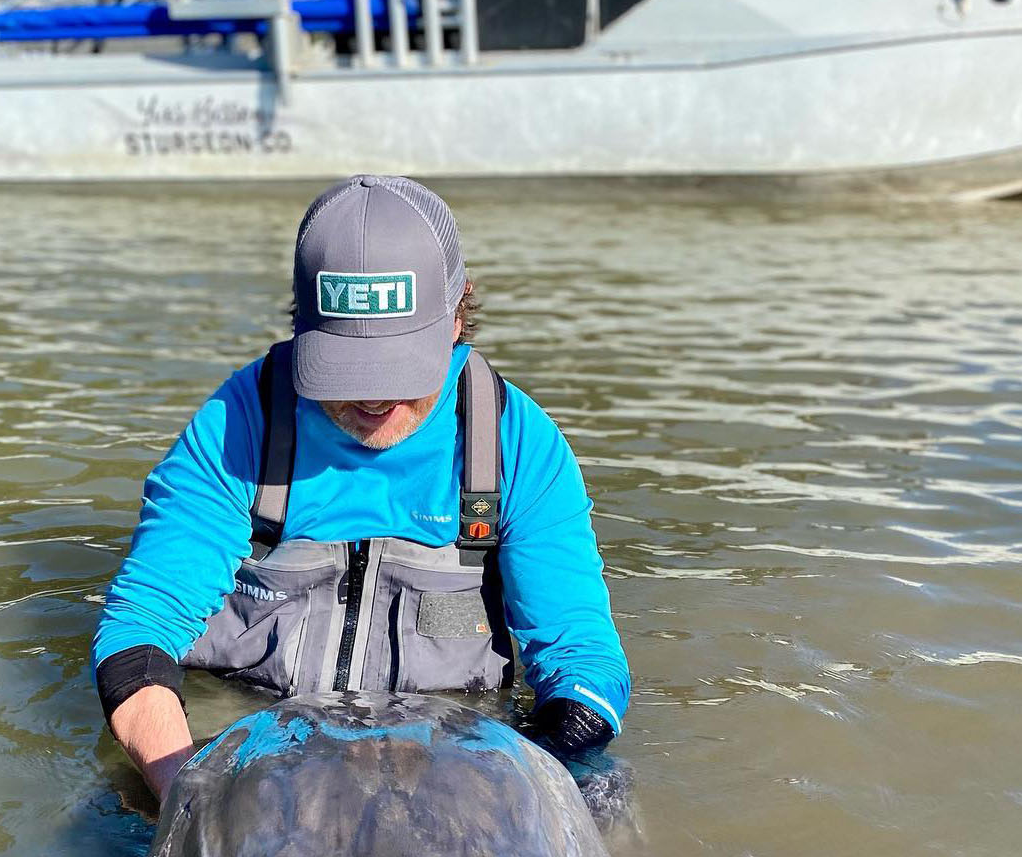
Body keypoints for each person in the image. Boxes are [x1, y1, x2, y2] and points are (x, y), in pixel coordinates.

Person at [91, 174, 629, 798]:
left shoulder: (518, 445)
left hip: (448, 766)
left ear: (459, 313)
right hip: (251, 754)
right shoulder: (239, 425)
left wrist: (508, 795)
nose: (374, 397)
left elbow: (583, 662)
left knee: (607, 794)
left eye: (400, 367)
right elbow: (140, 630)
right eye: (346, 368)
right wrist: (188, 796)